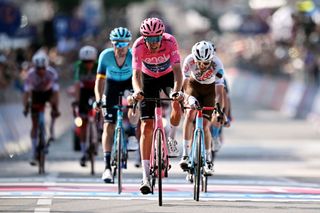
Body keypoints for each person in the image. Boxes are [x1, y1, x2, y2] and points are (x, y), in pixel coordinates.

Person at [131, 17, 184, 194]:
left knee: (177, 100)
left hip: (167, 76)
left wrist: (177, 91)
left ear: (162, 36)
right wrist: (138, 91)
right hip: (147, 79)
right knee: (147, 125)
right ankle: (145, 176)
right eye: (150, 39)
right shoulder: (138, 45)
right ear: (144, 37)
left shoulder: (170, 41)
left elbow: (178, 72)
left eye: (156, 39)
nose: (153, 43)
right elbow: (136, 74)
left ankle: (171, 137)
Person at [94, 27, 139, 183]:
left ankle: (133, 133)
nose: (120, 48)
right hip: (111, 85)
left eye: (124, 44)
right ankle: (107, 167)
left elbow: (138, 77)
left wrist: (136, 95)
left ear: (129, 44)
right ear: (112, 44)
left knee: (135, 102)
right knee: (108, 125)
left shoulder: (133, 56)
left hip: (129, 83)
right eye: (117, 44)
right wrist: (99, 99)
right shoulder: (105, 56)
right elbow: (99, 80)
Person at [179, 41, 227, 176]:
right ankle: (185, 154)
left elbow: (219, 91)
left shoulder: (217, 64)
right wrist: (184, 100)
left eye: (205, 63)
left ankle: (208, 160)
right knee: (189, 115)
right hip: (193, 87)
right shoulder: (189, 61)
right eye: (198, 61)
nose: (201, 65)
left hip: (210, 90)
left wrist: (219, 109)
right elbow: (185, 84)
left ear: (211, 59)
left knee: (205, 125)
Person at [23, 52, 60, 165]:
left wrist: (55, 107)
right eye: (38, 69)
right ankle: (34, 151)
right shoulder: (30, 75)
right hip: (35, 94)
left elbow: (55, 91)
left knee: (55, 97)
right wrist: (26, 106)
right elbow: (26, 92)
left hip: (47, 93)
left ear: (46, 66)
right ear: (34, 67)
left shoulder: (51, 73)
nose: (41, 71)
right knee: (34, 124)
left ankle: (52, 128)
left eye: (43, 68)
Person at [72, 45, 98, 167]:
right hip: (83, 92)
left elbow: (104, 83)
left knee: (101, 109)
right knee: (82, 122)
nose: (88, 64)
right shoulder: (78, 66)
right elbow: (77, 85)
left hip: (95, 90)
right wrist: (77, 101)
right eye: (85, 62)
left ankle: (100, 128)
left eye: (90, 62)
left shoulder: (99, 65)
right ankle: (83, 152)